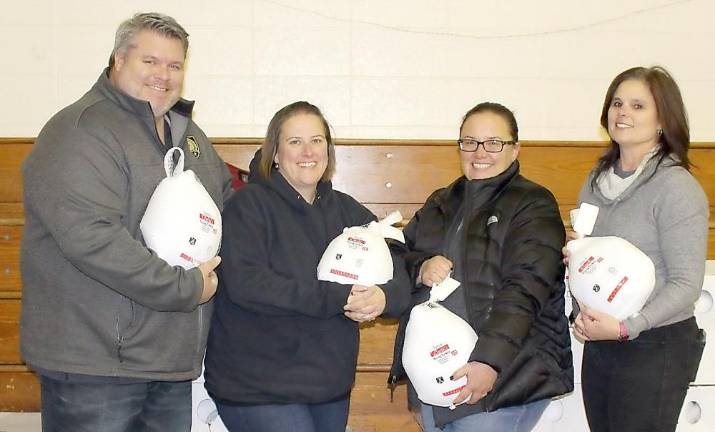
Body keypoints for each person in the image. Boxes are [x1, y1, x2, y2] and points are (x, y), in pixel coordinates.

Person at [20, 12, 232, 432]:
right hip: (96, 364)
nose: (164, 75)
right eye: (150, 61)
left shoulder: (189, 136)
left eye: (174, 65)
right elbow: (92, 239)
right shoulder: (80, 131)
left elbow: (226, 211)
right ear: (118, 60)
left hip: (168, 358)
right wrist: (186, 286)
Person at [202, 101, 410, 432]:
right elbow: (249, 285)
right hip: (256, 386)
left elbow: (402, 265)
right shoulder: (248, 206)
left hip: (329, 386)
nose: (307, 151)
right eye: (294, 142)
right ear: (274, 153)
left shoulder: (347, 211)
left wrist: (383, 298)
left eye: (316, 140)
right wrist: (339, 296)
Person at [389, 102, 573, 432]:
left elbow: (524, 290)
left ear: (515, 149)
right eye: (469, 142)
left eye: (493, 143)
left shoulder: (532, 204)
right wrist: (420, 266)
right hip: (440, 375)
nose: (480, 152)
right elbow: (396, 254)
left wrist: (488, 363)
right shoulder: (441, 202)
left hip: (507, 373)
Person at [569, 66, 708, 432]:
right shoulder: (595, 183)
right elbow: (582, 261)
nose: (623, 113)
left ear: (663, 119)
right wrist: (578, 317)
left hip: (656, 344)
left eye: (638, 105)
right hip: (602, 343)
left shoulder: (676, 188)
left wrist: (628, 328)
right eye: (617, 103)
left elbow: (685, 283)